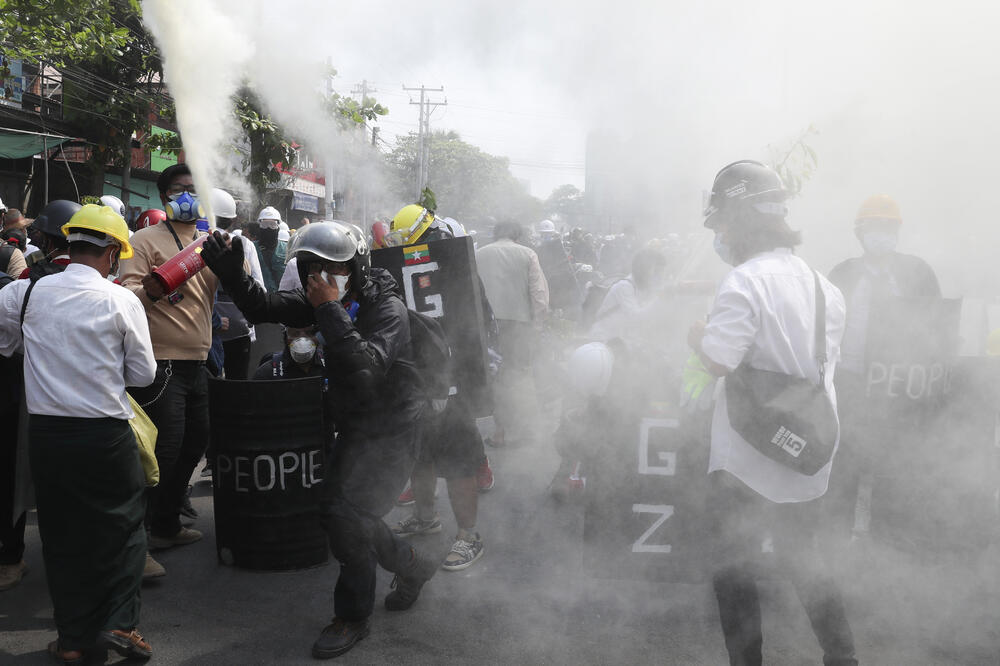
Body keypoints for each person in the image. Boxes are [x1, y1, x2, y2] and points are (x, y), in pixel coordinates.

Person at [201, 221, 438, 659]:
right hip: (356, 424)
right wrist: (233, 274)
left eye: (335, 267)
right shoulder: (329, 298)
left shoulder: (386, 309)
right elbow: (266, 306)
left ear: (358, 266)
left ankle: (352, 616)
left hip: (393, 429)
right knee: (343, 513)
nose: (323, 276)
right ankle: (411, 566)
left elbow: (366, 370)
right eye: (313, 267)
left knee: (348, 516)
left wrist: (328, 308)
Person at [688, 160, 857, 666]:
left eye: (720, 224)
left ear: (739, 221)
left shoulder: (744, 281)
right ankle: (843, 658)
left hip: (747, 456)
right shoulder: (824, 286)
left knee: (734, 570)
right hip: (809, 446)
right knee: (809, 563)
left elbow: (719, 359)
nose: (719, 235)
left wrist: (694, 335)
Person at [0, 204, 156, 663]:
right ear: (111, 254)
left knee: (60, 534)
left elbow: (5, 343)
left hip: (47, 436)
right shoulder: (120, 299)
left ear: (68, 244)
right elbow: (143, 375)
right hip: (104, 436)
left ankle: (71, 640)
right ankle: (120, 623)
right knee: (123, 529)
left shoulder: (24, 294)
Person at [385, 204, 494, 572]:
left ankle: (469, 535)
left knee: (459, 462)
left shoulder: (456, 267)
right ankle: (426, 516)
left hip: (450, 384)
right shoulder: (457, 264)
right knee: (422, 454)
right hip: (425, 381)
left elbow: (478, 324)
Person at [826, 194, 942, 538]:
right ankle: (837, 546)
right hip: (848, 386)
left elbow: (938, 327)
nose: (882, 233)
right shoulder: (842, 274)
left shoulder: (917, 272)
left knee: (893, 474)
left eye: (889, 226)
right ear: (859, 232)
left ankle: (888, 547)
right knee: (843, 470)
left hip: (898, 389)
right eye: (875, 226)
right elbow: (826, 329)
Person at [120, 164, 217, 569]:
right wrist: (155, 289)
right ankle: (134, 544)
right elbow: (126, 295)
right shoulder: (144, 239)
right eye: (181, 189)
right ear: (164, 197)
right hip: (161, 363)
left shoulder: (211, 243)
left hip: (199, 360)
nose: (189, 196)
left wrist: (235, 259)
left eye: (195, 190)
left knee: (197, 442)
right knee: (164, 450)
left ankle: (165, 523)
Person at [474, 220, 549, 447]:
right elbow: (539, 296)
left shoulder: (478, 255)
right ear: (518, 235)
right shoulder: (528, 255)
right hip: (519, 326)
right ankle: (527, 432)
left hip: (487, 327)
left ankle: (500, 433)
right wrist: (538, 327)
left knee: (496, 379)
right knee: (521, 377)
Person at [212, 188, 265, 380]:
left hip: (204, 328)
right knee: (237, 383)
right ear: (233, 220)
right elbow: (260, 287)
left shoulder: (195, 240)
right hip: (240, 327)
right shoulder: (244, 244)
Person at [252, 325, 326, 380]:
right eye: (295, 334)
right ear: (286, 338)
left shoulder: (331, 366)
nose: (302, 340)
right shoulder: (267, 374)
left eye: (309, 333)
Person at [247, 206, 287, 291]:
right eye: (264, 225)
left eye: (272, 225)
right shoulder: (250, 247)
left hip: (281, 299)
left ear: (278, 227)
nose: (268, 228)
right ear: (260, 227)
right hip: (259, 299)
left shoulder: (286, 249)